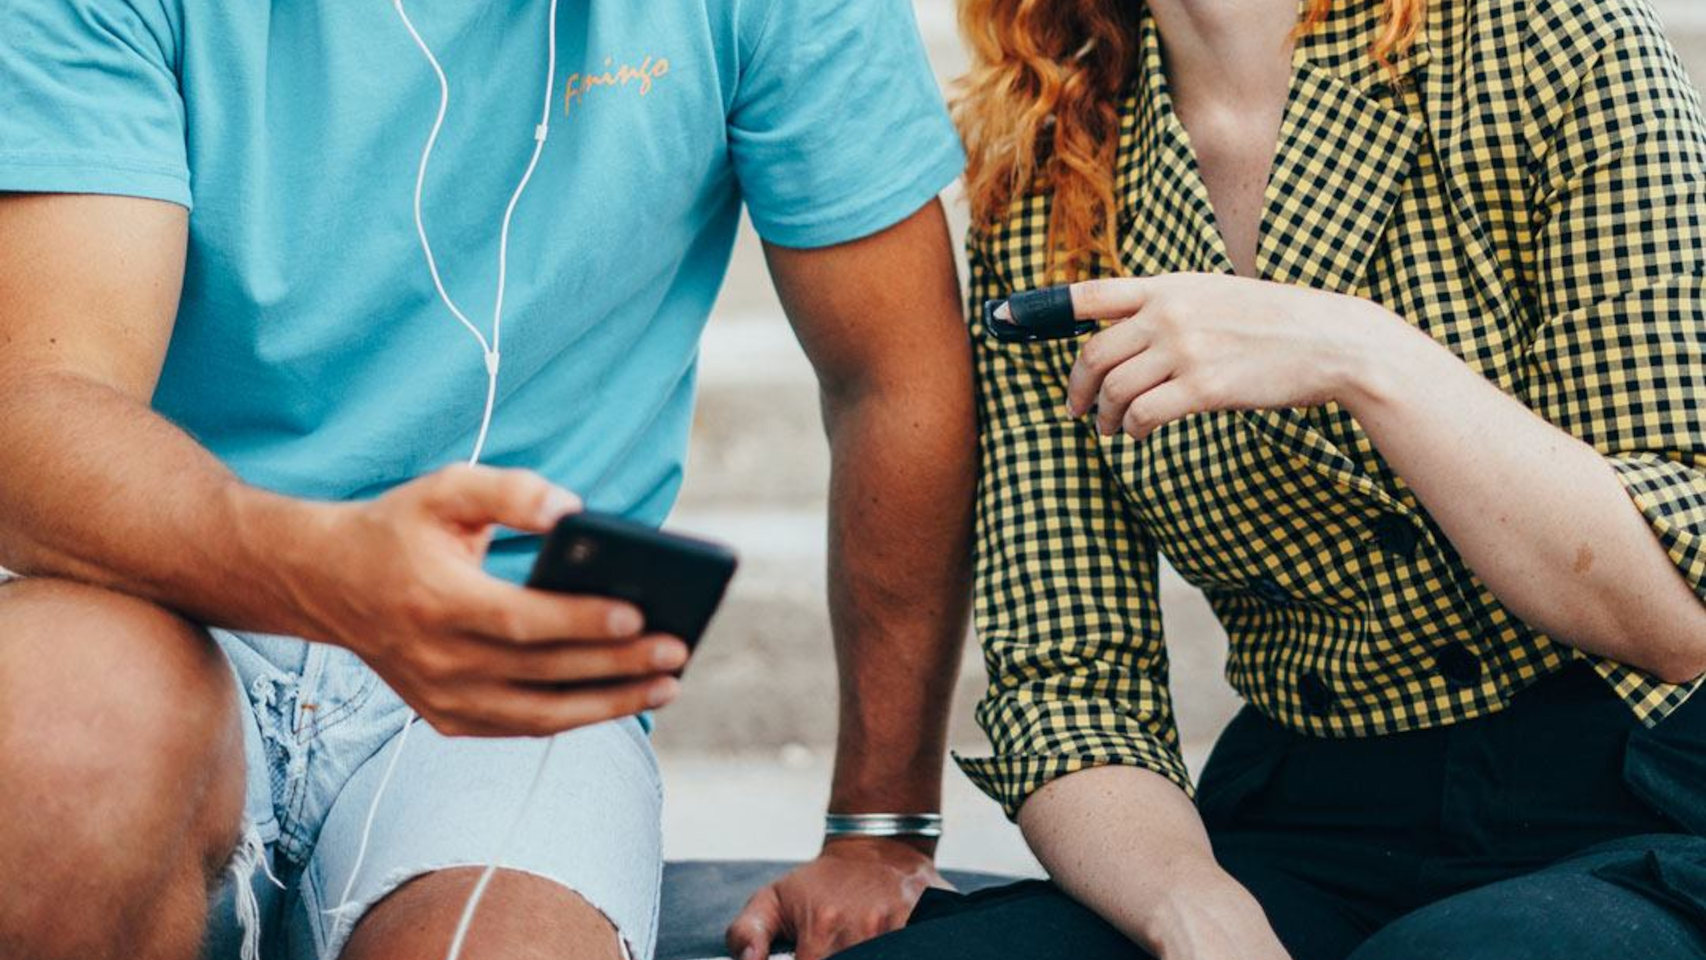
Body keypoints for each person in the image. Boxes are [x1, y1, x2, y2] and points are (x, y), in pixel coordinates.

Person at [0, 0, 975, 957]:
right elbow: (37, 399)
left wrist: (881, 828)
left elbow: (891, 377)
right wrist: (324, 569)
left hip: (511, 658)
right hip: (165, 604)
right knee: (55, 742)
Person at [830, 0, 1706, 957]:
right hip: (1315, 806)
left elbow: (1672, 619)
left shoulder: (1553, 40)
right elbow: (1069, 683)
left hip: (1638, 783)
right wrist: (1189, 907)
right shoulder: (1054, 158)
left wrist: (1357, 352)